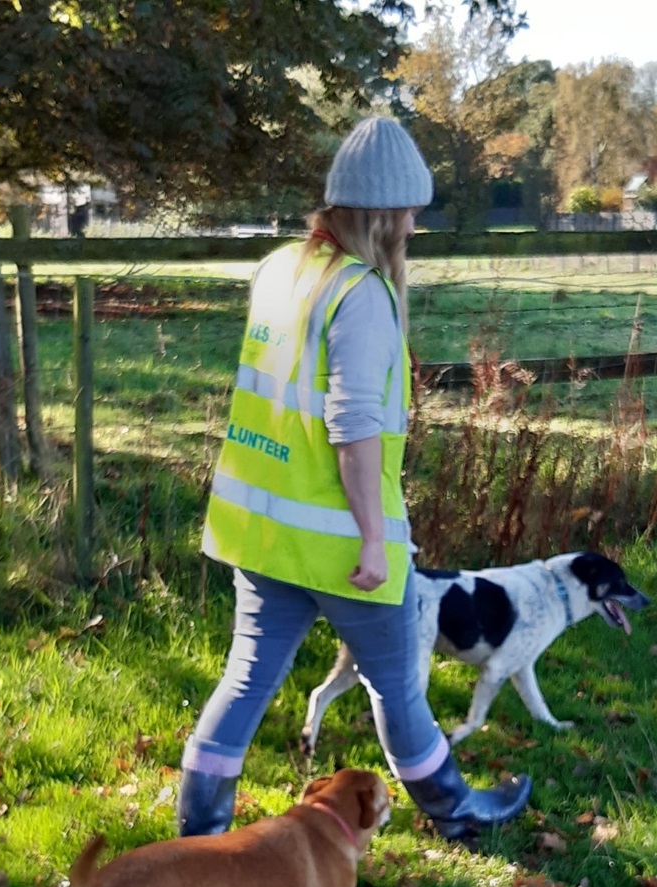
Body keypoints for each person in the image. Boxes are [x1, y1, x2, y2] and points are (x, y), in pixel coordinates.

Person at [178, 116, 532, 841]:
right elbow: (352, 425)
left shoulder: (282, 269)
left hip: (264, 530)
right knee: (398, 686)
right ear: (379, 213)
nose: (411, 224)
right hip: (341, 543)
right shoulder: (362, 293)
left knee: (245, 679)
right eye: (406, 211)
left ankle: (197, 838)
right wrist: (374, 538)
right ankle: (455, 811)